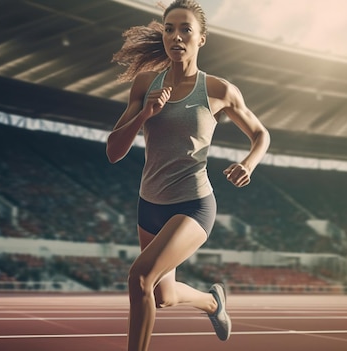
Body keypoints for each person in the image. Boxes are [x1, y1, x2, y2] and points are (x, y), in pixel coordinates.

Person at [106, 1, 270, 350]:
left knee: (140, 278)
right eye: (169, 28)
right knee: (162, 297)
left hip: (193, 205)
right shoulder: (145, 84)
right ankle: (213, 302)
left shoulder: (219, 90)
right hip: (149, 205)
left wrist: (249, 164)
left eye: (185, 29)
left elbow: (261, 134)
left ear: (201, 39)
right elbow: (113, 151)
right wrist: (145, 113)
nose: (176, 36)